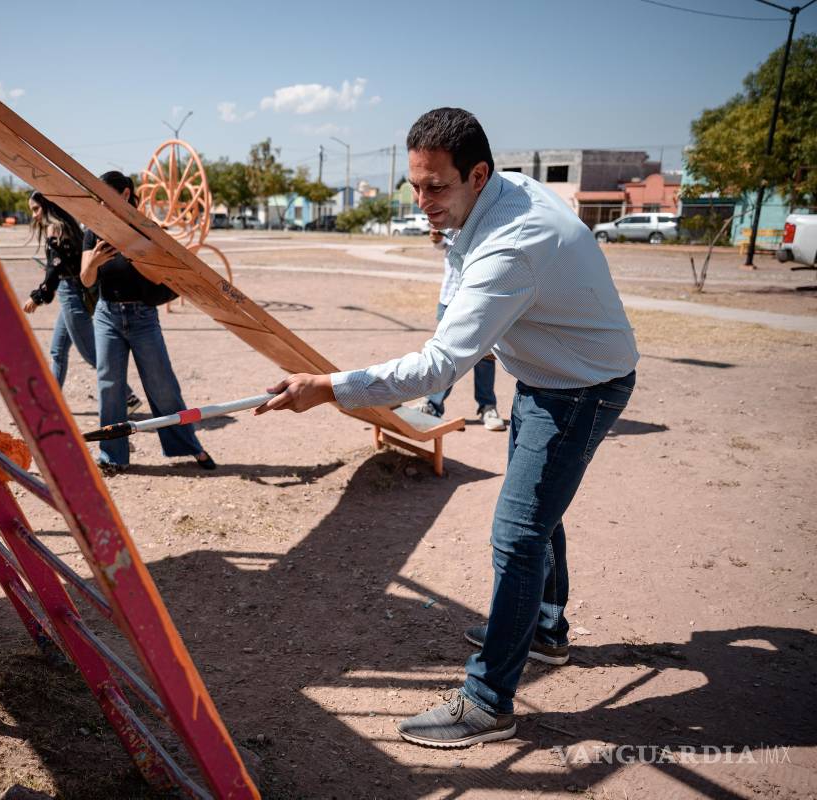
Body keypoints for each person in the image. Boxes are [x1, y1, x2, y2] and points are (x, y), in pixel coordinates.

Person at [255, 108, 638, 747]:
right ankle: (544, 630)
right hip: (551, 377)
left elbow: (438, 364)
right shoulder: (487, 200)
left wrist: (329, 388)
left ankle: (489, 703)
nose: (421, 201)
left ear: (478, 173)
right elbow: (454, 289)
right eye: (414, 185)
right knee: (540, 511)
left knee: (519, 533)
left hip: (582, 388)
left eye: (436, 188)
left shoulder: (515, 242)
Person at [80, 171, 216, 474]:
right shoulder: (93, 230)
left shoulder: (145, 229)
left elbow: (162, 278)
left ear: (126, 195)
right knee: (110, 387)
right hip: (107, 315)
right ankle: (112, 456)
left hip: (142, 316)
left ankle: (188, 447)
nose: (100, 202)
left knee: (162, 385)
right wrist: (95, 262)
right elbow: (86, 279)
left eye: (105, 195)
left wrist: (134, 254)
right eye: (97, 197)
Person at [21, 191, 142, 413]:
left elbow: (54, 270)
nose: (34, 215)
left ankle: (128, 398)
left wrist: (38, 297)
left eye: (36, 209)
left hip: (72, 296)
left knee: (91, 353)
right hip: (74, 294)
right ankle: (51, 403)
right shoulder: (67, 227)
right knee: (58, 351)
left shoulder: (56, 229)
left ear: (48, 207)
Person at [420, 228, 506, 431]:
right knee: (444, 355)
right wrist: (436, 237)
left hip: (480, 300)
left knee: (484, 357)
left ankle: (487, 407)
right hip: (450, 299)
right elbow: (441, 241)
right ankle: (433, 405)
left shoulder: (486, 218)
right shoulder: (451, 212)